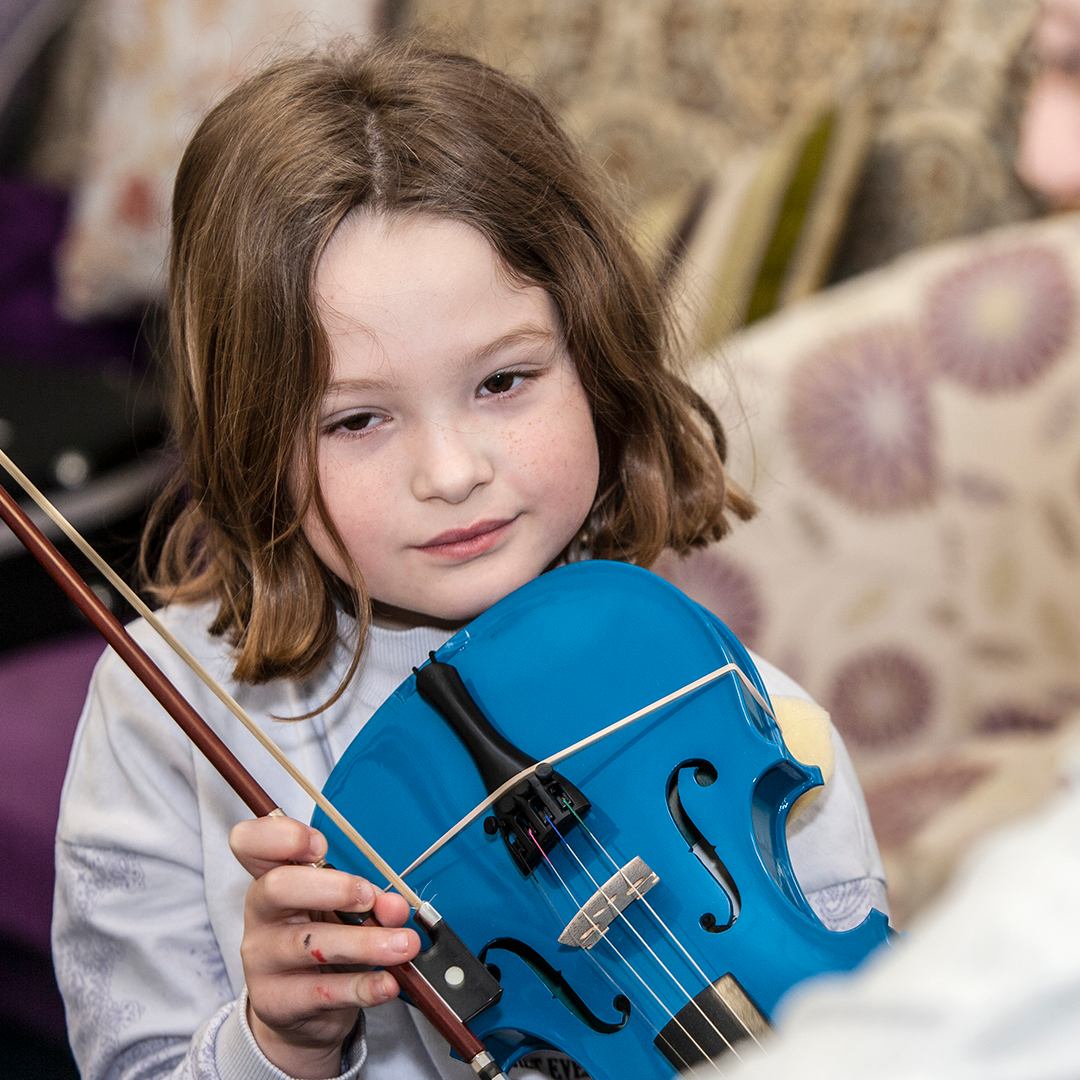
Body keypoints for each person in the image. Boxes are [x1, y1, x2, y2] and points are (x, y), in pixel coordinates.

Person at [51, 39, 887, 1080]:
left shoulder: (723, 711)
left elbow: (875, 1007)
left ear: (596, 356)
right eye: (356, 419)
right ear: (251, 437)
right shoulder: (158, 714)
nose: (449, 472)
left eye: (503, 383)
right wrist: (281, 1044)